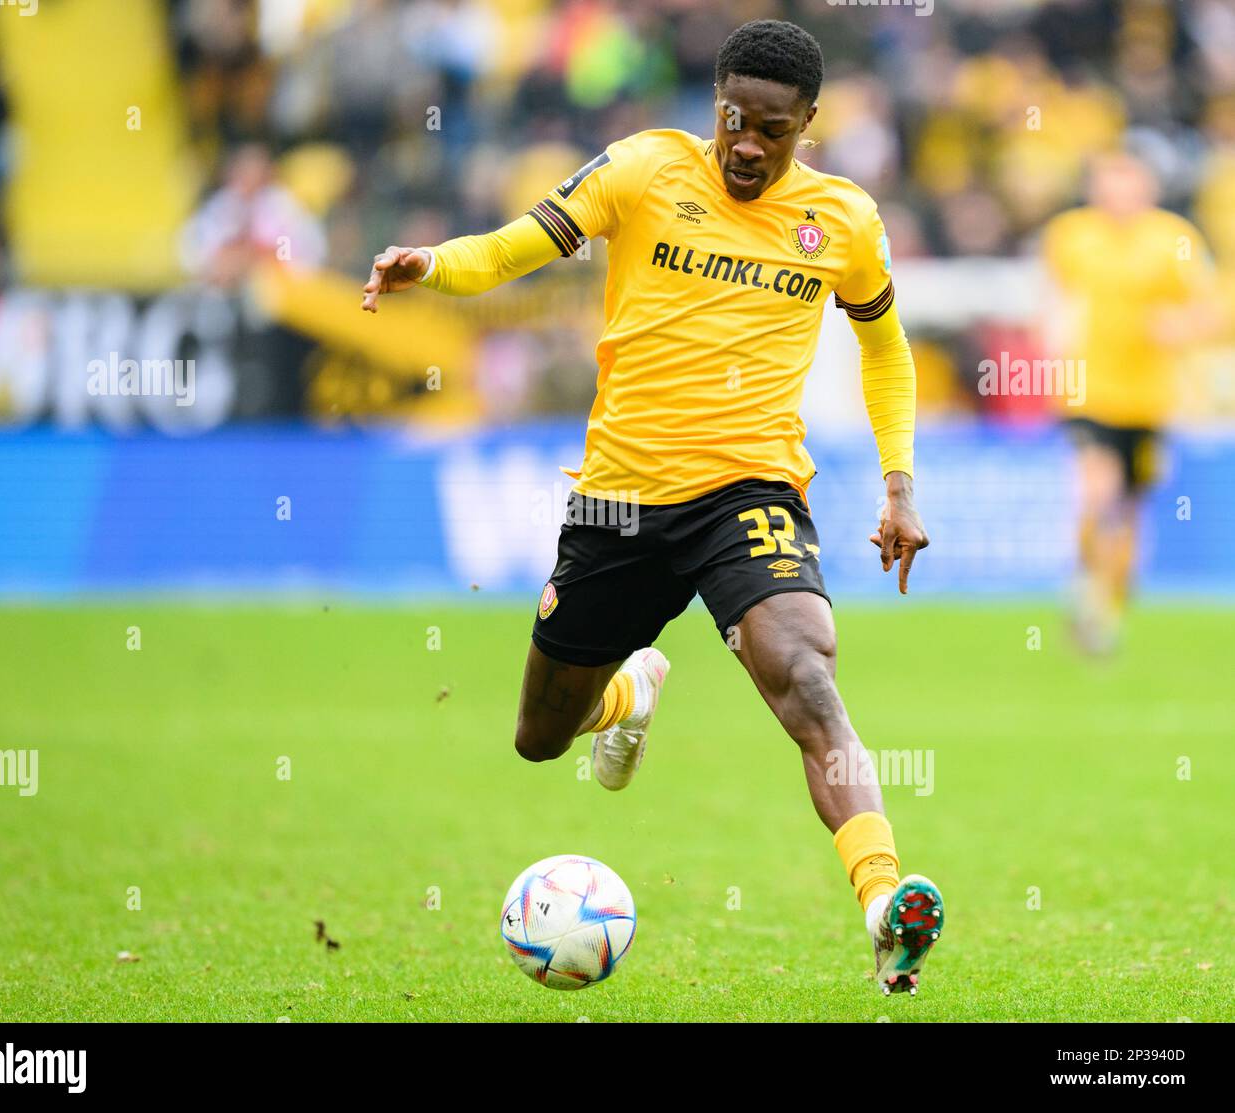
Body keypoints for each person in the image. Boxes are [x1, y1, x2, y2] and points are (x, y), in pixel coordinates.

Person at [364, 19, 941, 995]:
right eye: (732, 120)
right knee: (541, 739)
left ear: (807, 121)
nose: (748, 144)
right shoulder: (641, 170)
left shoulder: (840, 220)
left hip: (749, 490)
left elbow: (882, 347)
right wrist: (435, 266)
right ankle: (627, 693)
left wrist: (896, 483)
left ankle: (883, 905)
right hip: (619, 505)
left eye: (772, 128)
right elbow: (517, 247)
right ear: (711, 103)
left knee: (803, 672)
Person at [1042, 152, 1220, 655]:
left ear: (1148, 189)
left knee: (1131, 512)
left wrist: (1180, 327)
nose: (1116, 195)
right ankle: (1083, 585)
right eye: (1107, 184)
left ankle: (1105, 610)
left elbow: (1208, 308)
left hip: (1149, 399)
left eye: (1127, 185)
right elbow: (1053, 299)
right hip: (1088, 390)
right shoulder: (1071, 235)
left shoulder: (1174, 239)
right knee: (1097, 491)